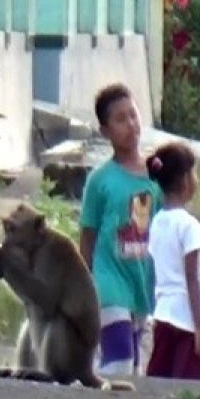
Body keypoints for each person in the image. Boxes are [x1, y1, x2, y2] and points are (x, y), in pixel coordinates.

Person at [79, 83, 164, 377]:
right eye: (120, 119)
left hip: (141, 281)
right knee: (120, 360)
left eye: (133, 115)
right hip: (108, 281)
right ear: (105, 131)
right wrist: (86, 284)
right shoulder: (100, 180)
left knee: (133, 363)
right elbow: (87, 236)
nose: (130, 124)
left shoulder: (156, 175)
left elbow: (164, 224)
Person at [145, 142, 200, 381]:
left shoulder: (158, 221)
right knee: (189, 391)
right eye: (193, 174)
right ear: (184, 181)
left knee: (160, 383)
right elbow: (192, 277)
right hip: (186, 319)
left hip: (163, 315)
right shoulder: (189, 225)